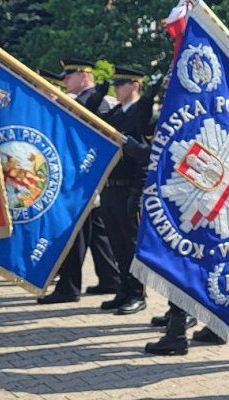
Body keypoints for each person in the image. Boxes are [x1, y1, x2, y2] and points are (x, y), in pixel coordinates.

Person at [37, 59, 120, 304]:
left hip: (87, 176)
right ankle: (110, 277)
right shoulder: (81, 100)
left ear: (84, 75)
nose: (64, 81)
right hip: (84, 176)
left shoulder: (96, 100)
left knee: (74, 232)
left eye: (69, 76)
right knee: (96, 232)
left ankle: (69, 287)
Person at [97, 67, 153, 316]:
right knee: (117, 243)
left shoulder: (143, 113)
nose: (117, 89)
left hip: (129, 188)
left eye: (121, 84)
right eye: (115, 85)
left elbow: (145, 158)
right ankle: (124, 287)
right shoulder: (117, 113)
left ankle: (137, 292)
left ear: (135, 85)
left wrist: (137, 193)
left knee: (131, 244)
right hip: (111, 186)